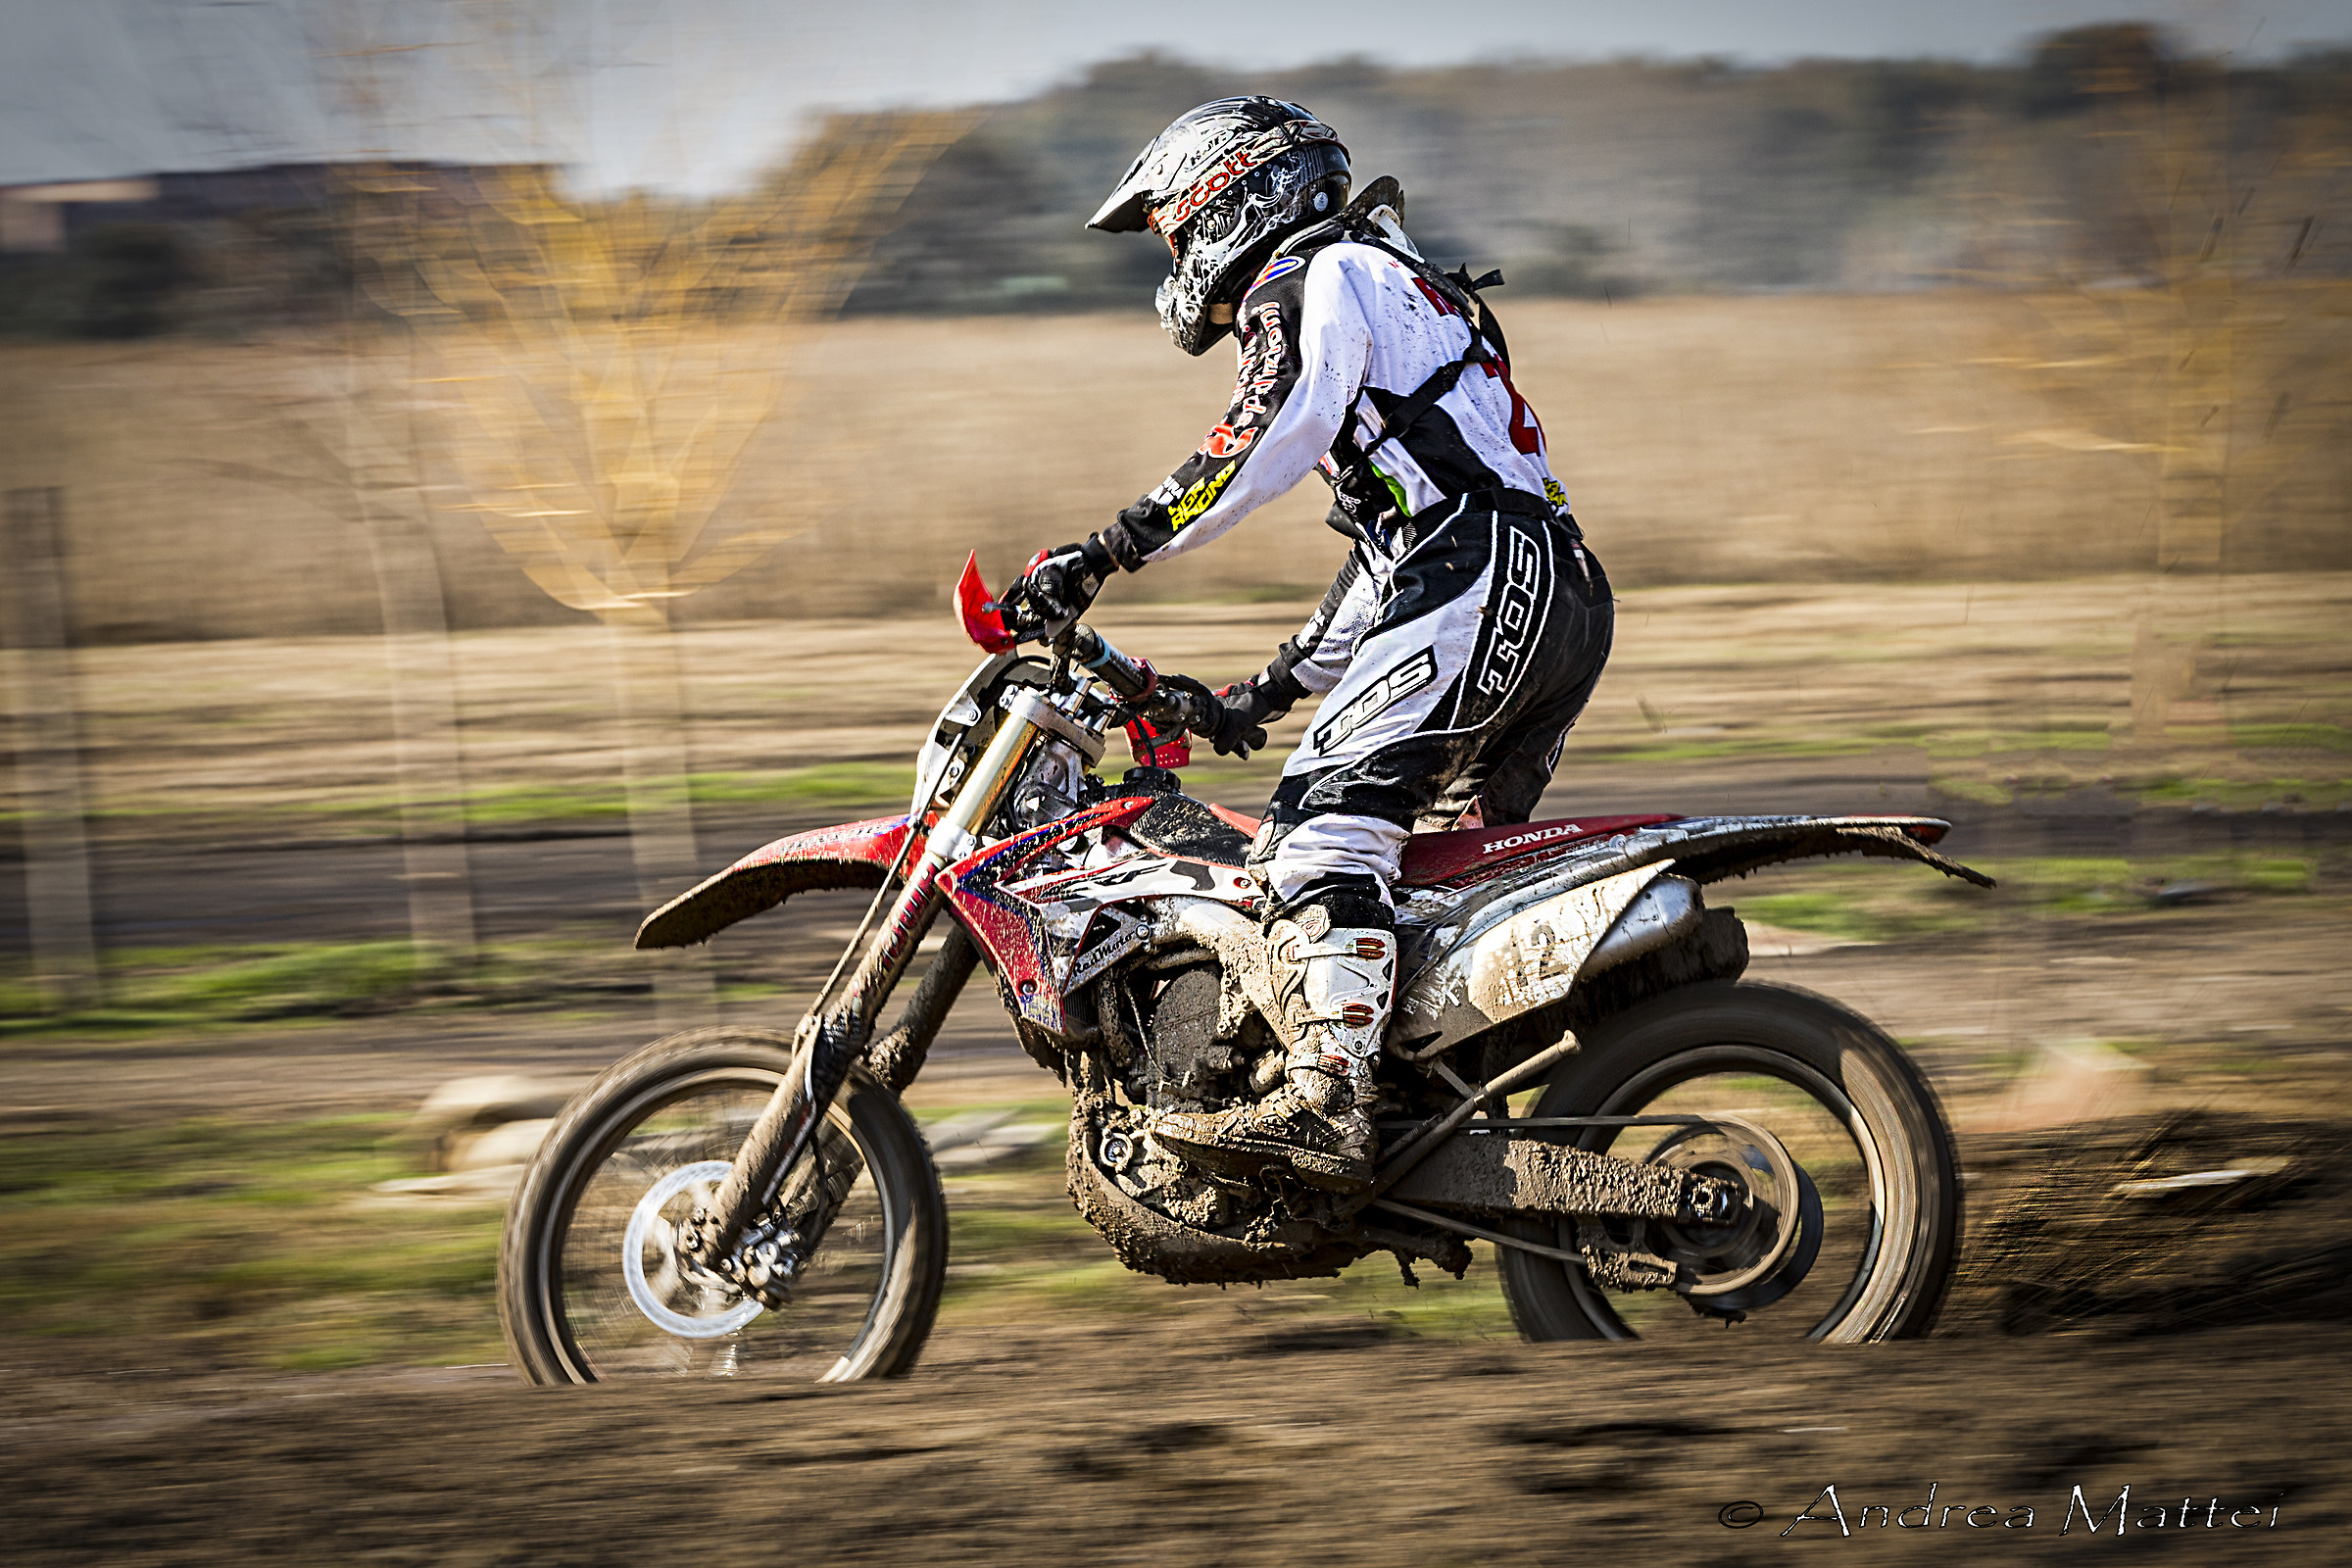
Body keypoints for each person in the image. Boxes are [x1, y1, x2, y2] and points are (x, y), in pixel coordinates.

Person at [1008, 97, 1615, 1194]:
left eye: (1173, 226)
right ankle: (1452, 1120)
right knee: (1431, 873)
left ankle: (1327, 1107)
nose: (1177, 253)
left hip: (1483, 577)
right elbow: (1396, 548)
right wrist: (1258, 695)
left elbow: (1262, 438)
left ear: (1230, 193)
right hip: (1547, 583)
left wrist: (1104, 551)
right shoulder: (1394, 281)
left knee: (1315, 843)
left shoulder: (1313, 281)